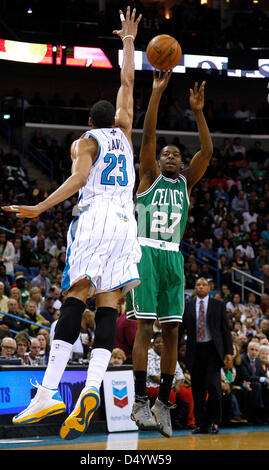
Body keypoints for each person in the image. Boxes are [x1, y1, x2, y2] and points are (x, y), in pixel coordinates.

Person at [2, 7, 142, 441]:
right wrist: (129, 42)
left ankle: (47, 391)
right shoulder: (124, 132)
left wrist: (41, 207)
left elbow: (80, 179)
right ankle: (92, 388)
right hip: (126, 222)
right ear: (115, 119)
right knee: (107, 307)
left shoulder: (87, 141)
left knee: (74, 297)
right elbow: (127, 83)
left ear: (88, 123)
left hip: (97, 214)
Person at [128, 72, 213, 438]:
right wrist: (157, 95)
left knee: (173, 331)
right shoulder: (148, 176)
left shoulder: (186, 183)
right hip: (146, 252)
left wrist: (198, 114)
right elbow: (148, 135)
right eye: (167, 153)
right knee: (146, 328)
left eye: (176, 154)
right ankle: (137, 400)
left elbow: (207, 152)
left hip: (173, 257)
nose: (171, 157)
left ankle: (163, 401)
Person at [179, 278, 233, 434]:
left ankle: (215, 422)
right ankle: (201, 424)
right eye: (197, 285)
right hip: (195, 350)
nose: (200, 287)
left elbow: (225, 331)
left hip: (213, 351)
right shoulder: (187, 306)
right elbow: (182, 330)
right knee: (197, 390)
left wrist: (228, 352)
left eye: (203, 284)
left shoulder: (219, 305)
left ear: (209, 287)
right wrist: (175, 350)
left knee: (214, 387)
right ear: (195, 288)